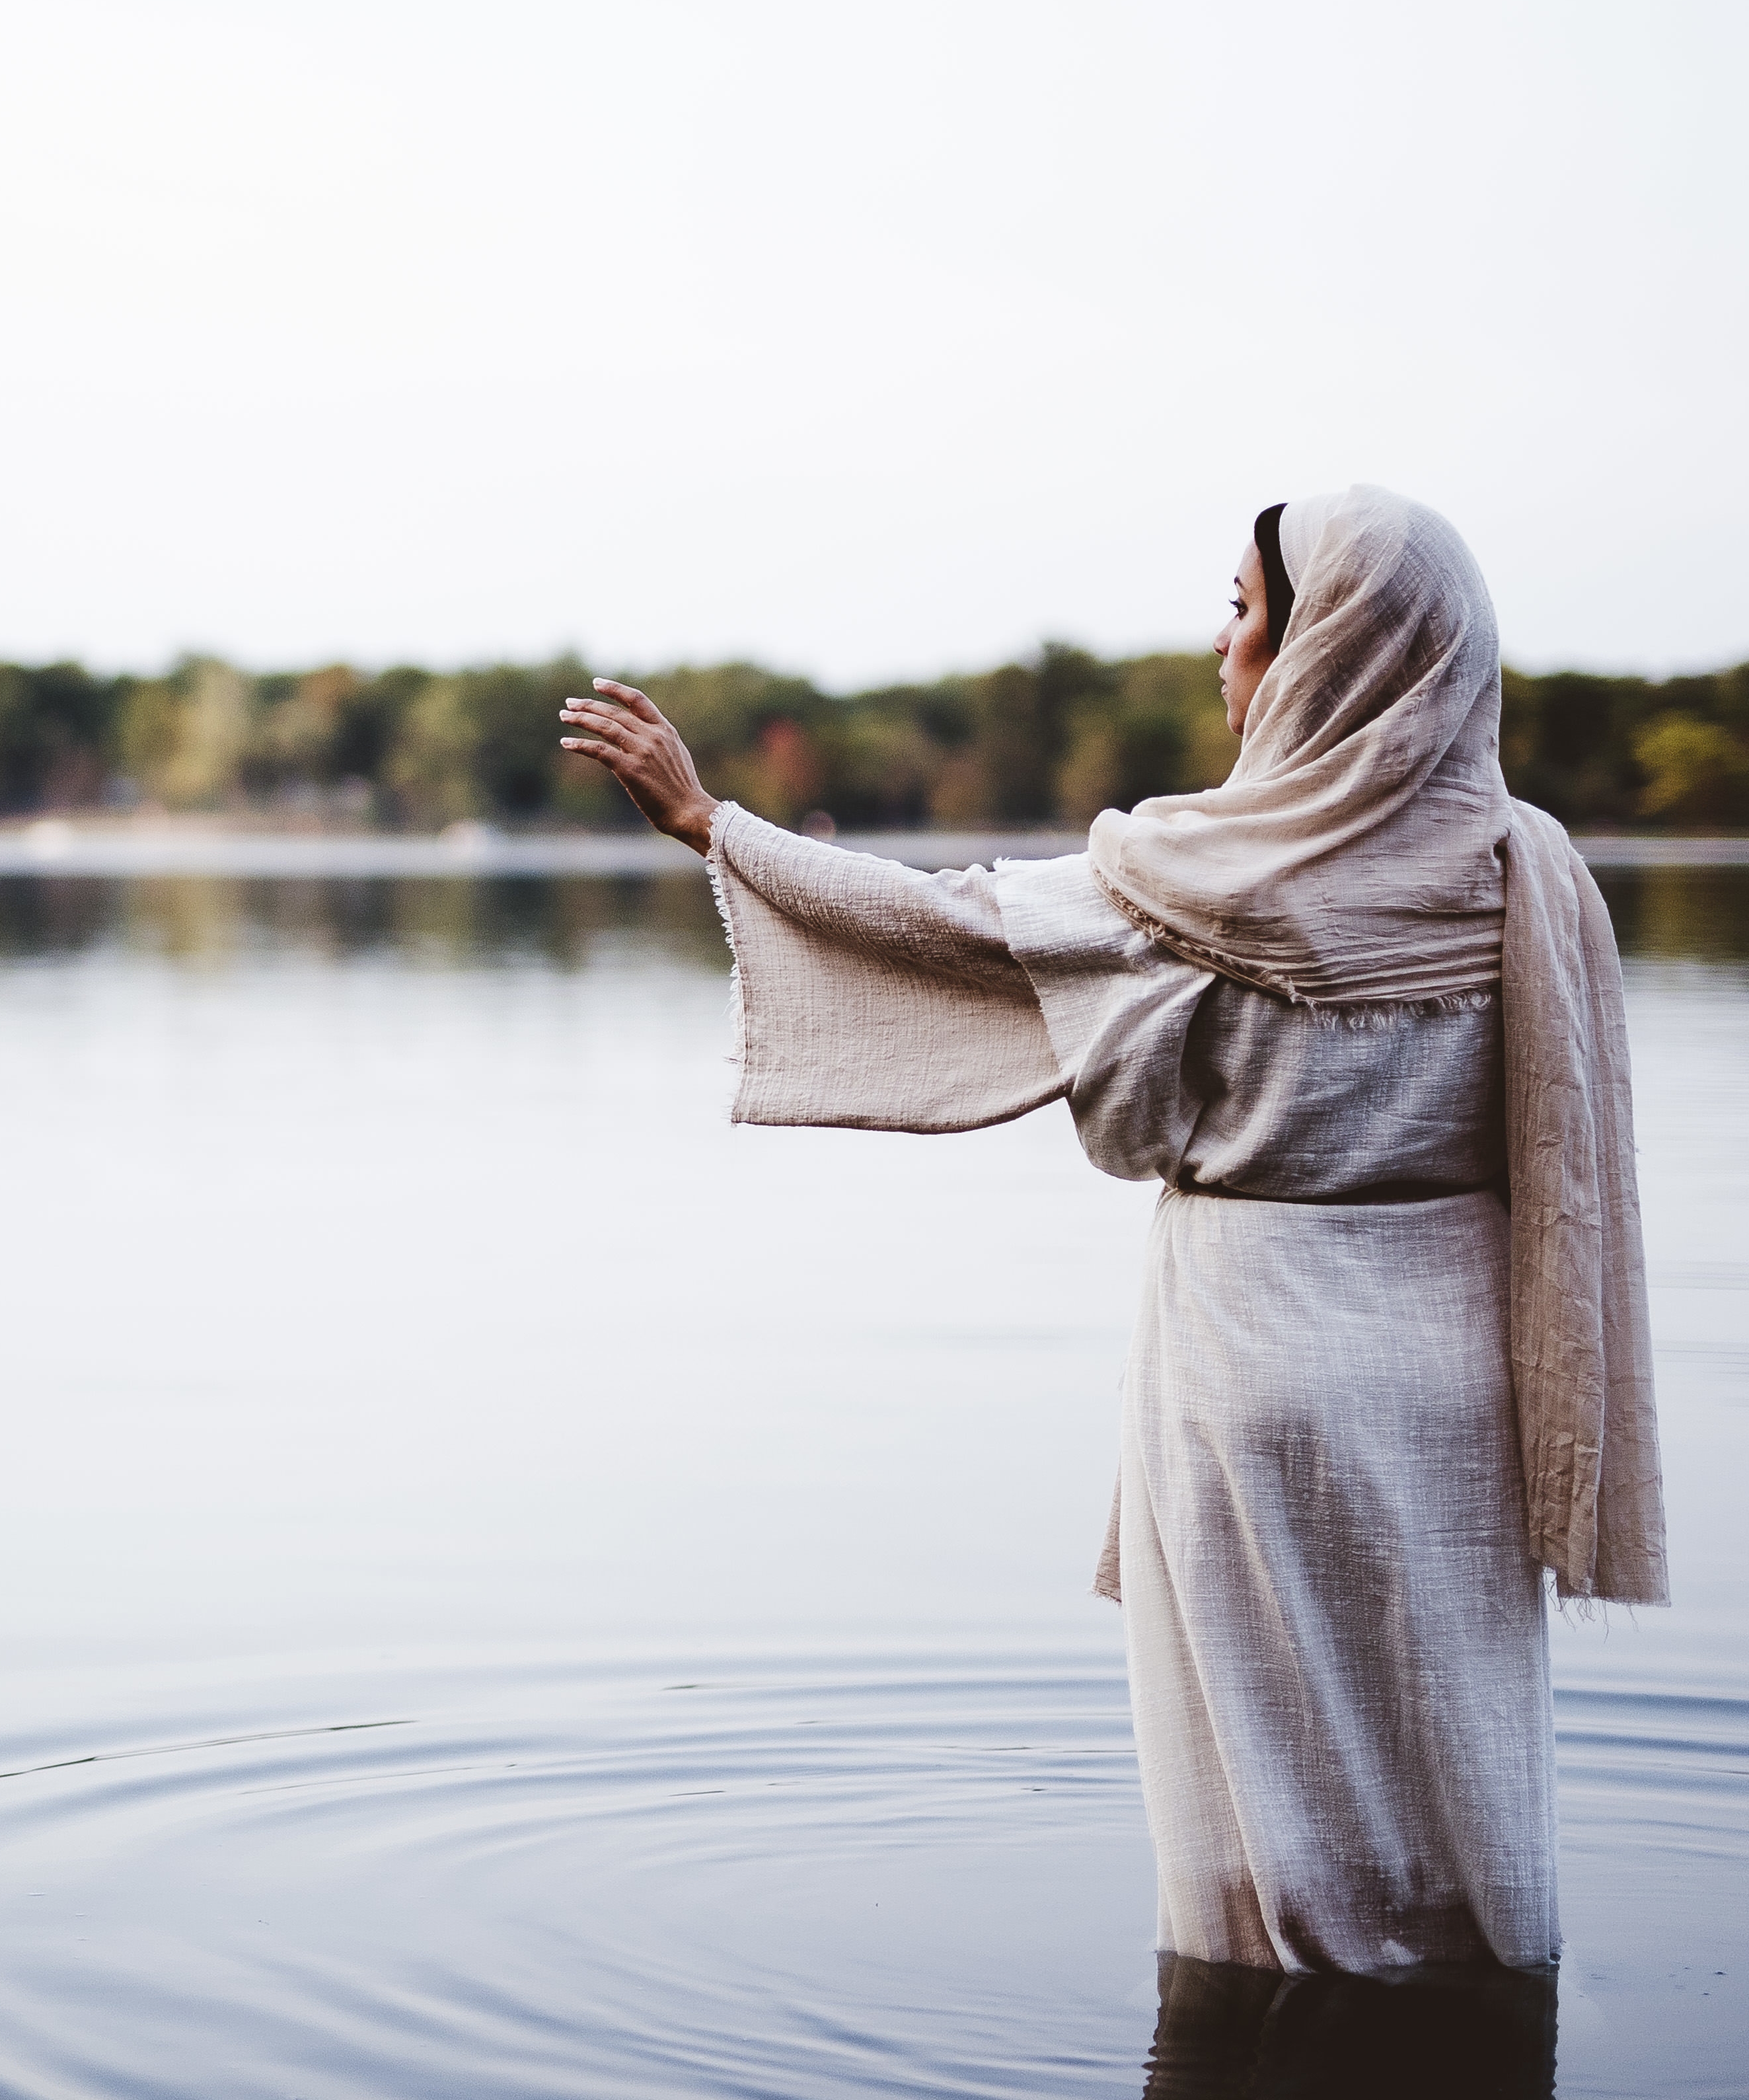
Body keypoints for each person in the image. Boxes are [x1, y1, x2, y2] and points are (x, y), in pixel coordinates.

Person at [557, 485, 1664, 1983]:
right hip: (1465, 1378)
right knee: (1452, 1776)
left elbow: (942, 929)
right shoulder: (1531, 872)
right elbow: (1569, 1158)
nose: (1223, 646)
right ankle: (1463, 2035)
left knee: (1264, 1806)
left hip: (1254, 1373)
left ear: (1328, 647)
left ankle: (1266, 2037)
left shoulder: (1204, 875)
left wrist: (711, 825)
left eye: (1245, 612)